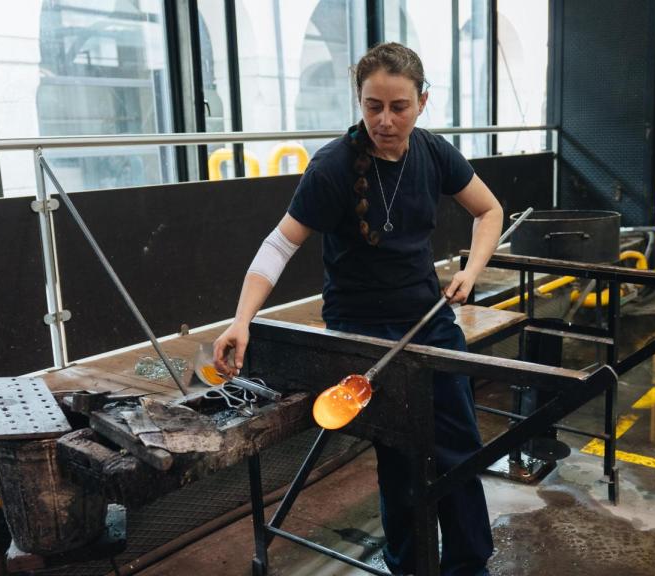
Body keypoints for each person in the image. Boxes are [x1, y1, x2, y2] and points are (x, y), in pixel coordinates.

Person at [213, 42, 503, 576]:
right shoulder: (334, 168)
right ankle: (409, 567)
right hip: (362, 334)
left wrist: (471, 270)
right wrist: (241, 320)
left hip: (428, 322)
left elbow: (489, 210)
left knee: (460, 447)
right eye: (373, 106)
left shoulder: (435, 154)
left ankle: (469, 565)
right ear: (359, 102)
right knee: (401, 461)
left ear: (422, 102)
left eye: (399, 106)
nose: (385, 120)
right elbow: (278, 245)